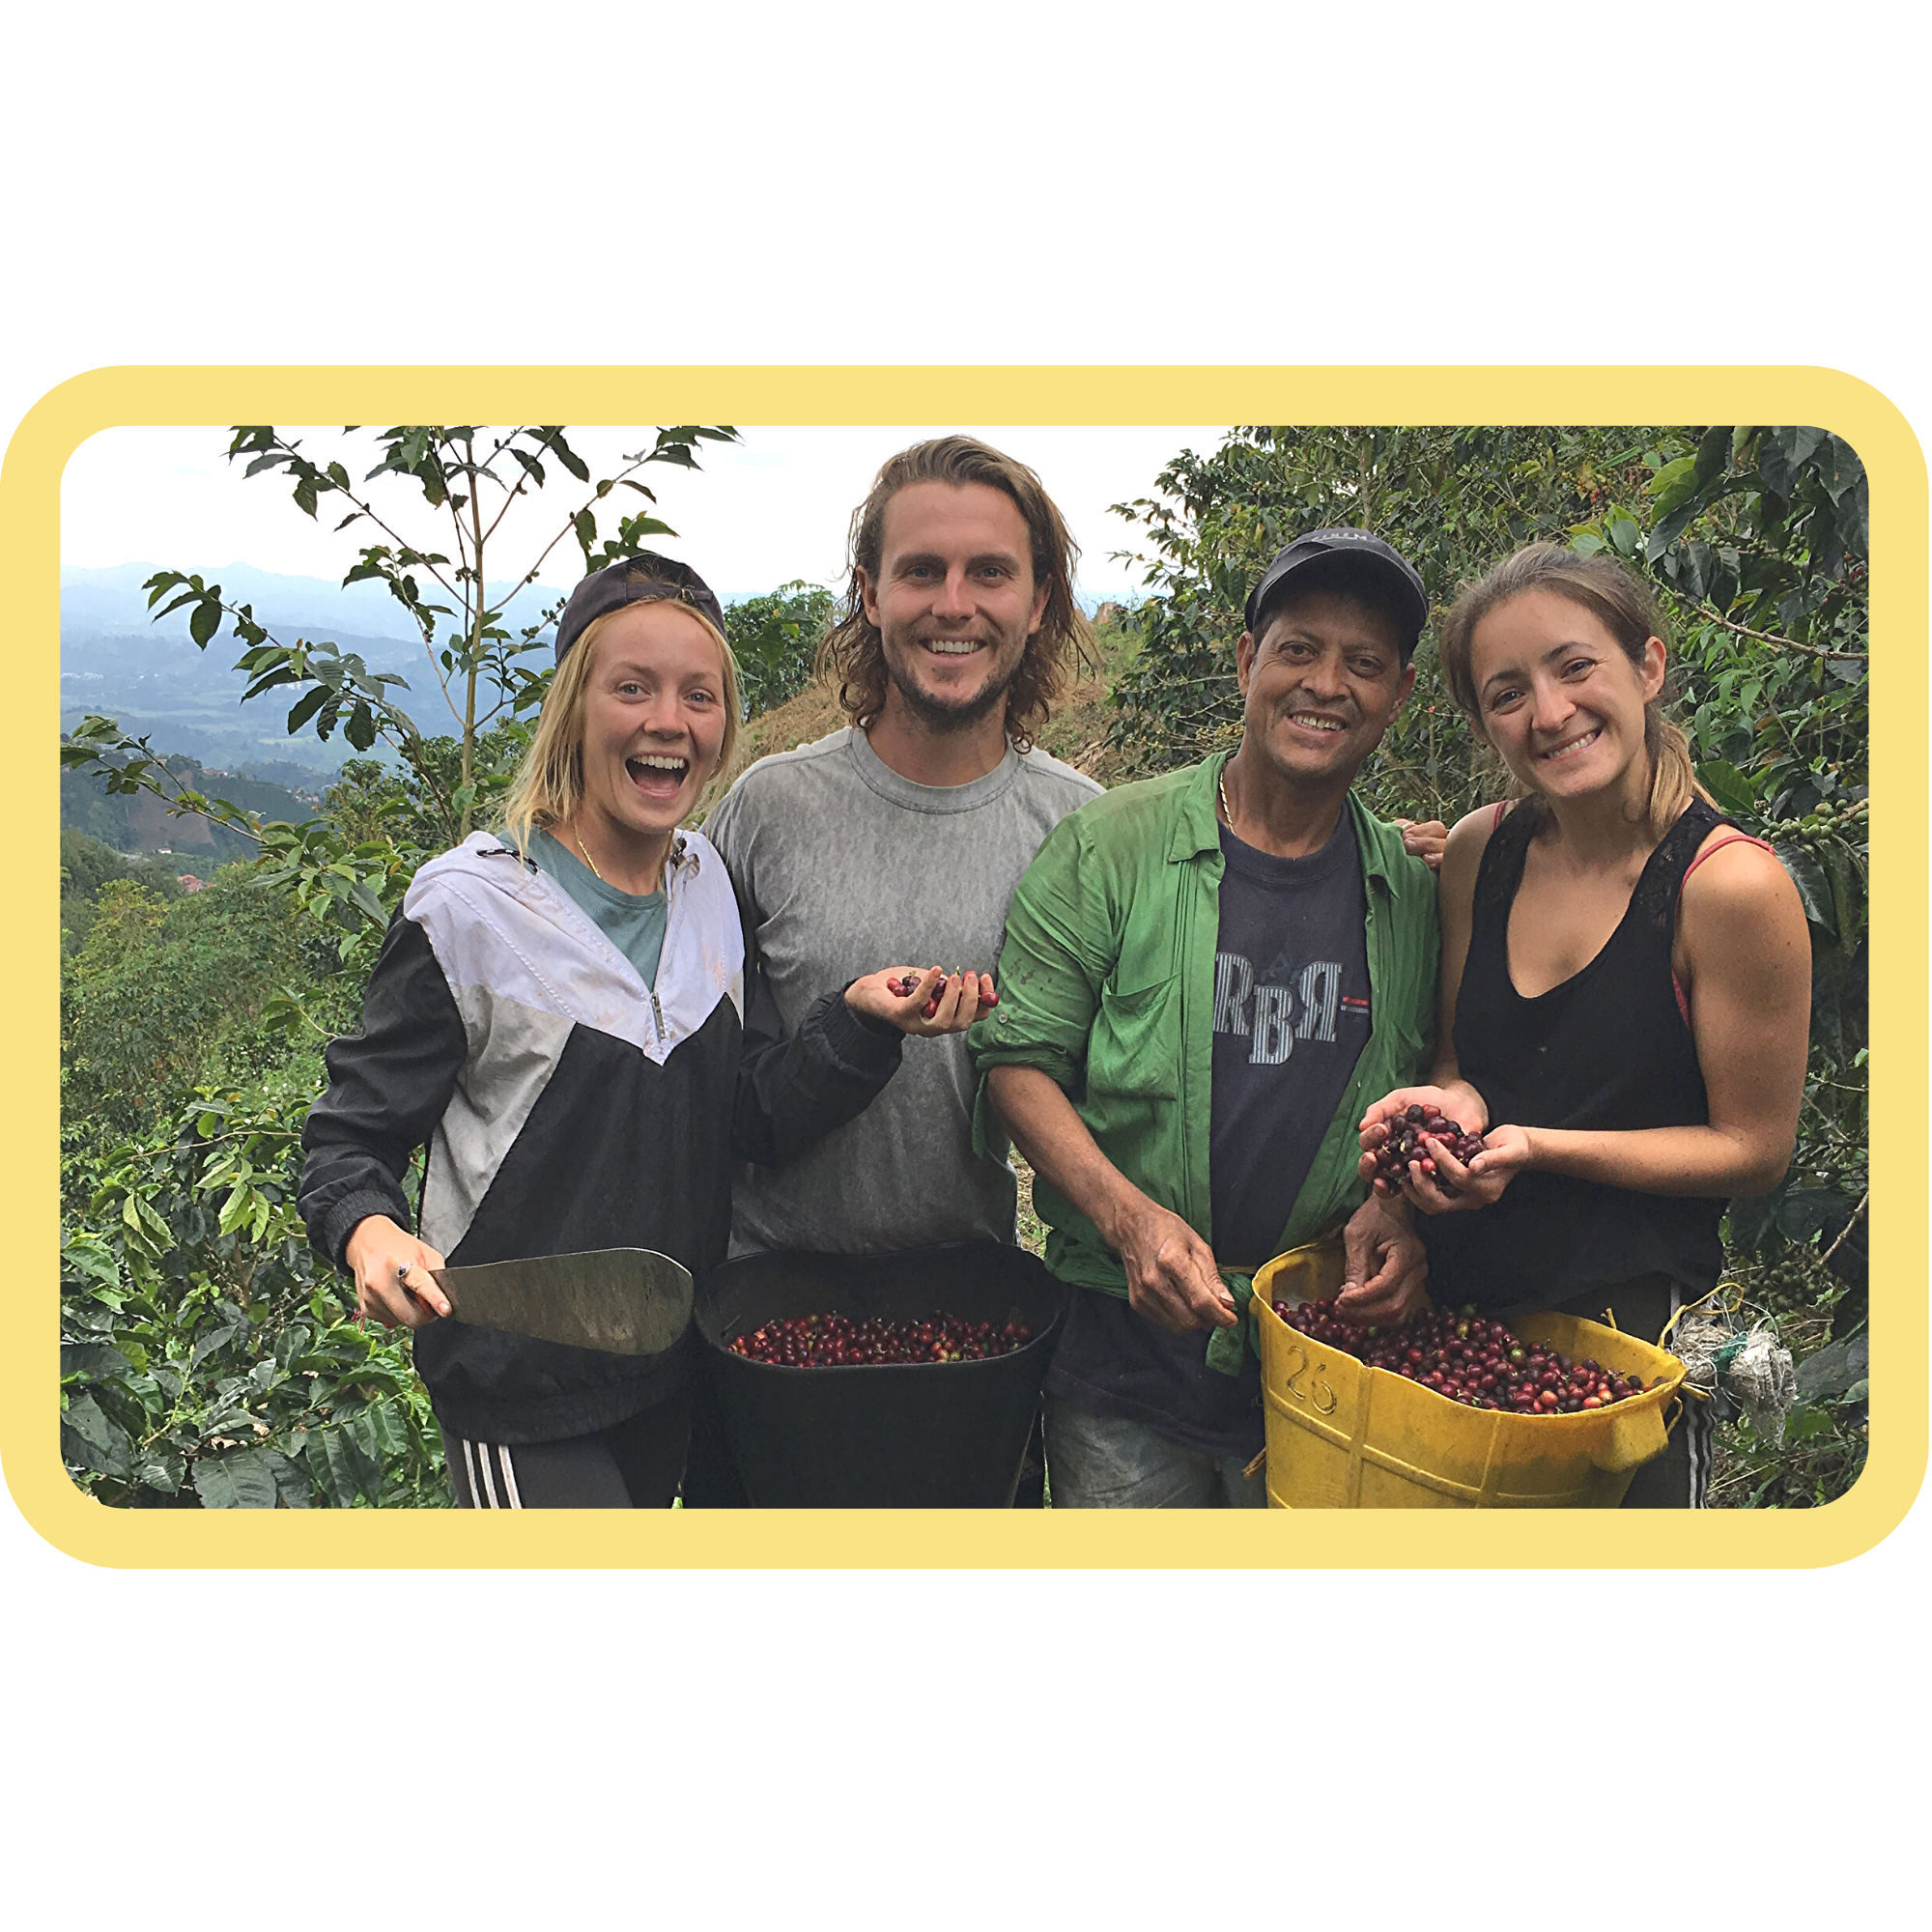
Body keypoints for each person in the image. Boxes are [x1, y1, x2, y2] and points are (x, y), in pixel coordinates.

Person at [297, 554, 979, 1509]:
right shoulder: (468, 909)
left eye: (700, 695)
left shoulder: (708, 890)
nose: (668, 719)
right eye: (632, 687)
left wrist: (860, 1024)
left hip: (669, 1372)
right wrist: (370, 1233)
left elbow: (744, 1118)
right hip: (520, 1387)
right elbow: (349, 1137)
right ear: (573, 708)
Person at [974, 529, 1441, 1507]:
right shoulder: (1110, 847)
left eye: (1362, 665)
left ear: (1399, 694)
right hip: (1121, 1362)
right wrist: (1128, 1219)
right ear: (1245, 662)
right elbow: (1017, 1062)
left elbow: (1433, 1083)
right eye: (1298, 650)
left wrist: (1394, 1208)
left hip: (1324, 1358)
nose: (1326, 685)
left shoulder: (1409, 890)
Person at [1356, 541, 1810, 1509]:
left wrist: (1540, 1148)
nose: (1550, 712)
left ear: (1646, 668)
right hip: (1461, 1323)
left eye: (1574, 667)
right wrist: (1439, 1115)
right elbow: (1460, 1061)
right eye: (1507, 693)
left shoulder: (1727, 888)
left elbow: (1752, 1148)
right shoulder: (1482, 850)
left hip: (1626, 1346)